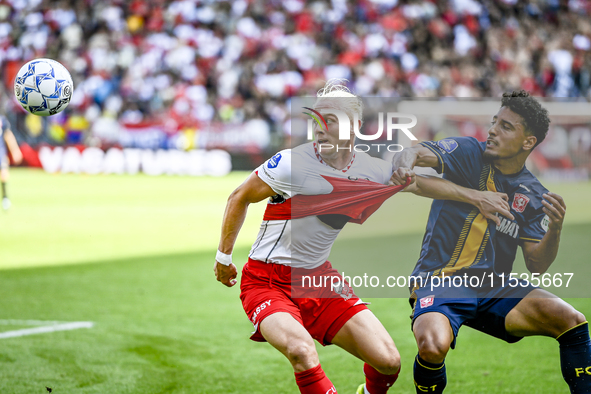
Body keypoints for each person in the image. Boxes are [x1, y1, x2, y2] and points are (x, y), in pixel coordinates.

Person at [390, 90, 591, 393]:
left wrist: (556, 230)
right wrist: (404, 165)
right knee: (433, 346)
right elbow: (414, 152)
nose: (493, 129)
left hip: (494, 287)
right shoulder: (469, 152)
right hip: (441, 280)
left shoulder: (534, 194)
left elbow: (536, 265)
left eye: (506, 126)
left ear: (528, 142)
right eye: (495, 122)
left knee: (572, 320)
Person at [0, 116, 23, 210]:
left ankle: (5, 198)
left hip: (0, 151)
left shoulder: (2, 120)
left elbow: (8, 134)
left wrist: (15, 150)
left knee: (4, 173)